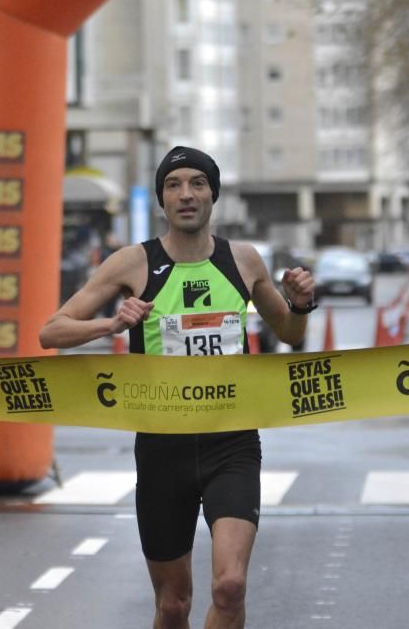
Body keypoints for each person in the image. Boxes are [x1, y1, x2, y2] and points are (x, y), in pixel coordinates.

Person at [39, 145, 315, 629]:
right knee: (174, 604)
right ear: (163, 200)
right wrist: (110, 325)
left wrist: (299, 307)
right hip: (162, 447)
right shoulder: (132, 263)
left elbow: (290, 335)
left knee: (229, 587)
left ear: (213, 195)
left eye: (197, 183)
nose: (186, 194)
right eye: (174, 184)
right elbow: (51, 331)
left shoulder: (244, 261)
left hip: (231, 443)